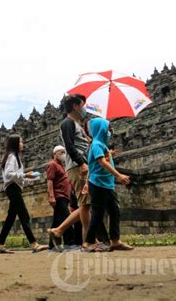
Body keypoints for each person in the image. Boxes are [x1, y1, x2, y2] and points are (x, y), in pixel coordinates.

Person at [50, 95, 109, 244]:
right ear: (75, 106)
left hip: (82, 165)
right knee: (85, 204)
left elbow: (82, 145)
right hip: (77, 167)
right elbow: (69, 146)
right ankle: (89, 241)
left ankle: (59, 230)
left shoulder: (77, 124)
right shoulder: (67, 123)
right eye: (83, 105)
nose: (85, 108)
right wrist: (81, 163)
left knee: (86, 204)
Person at [82, 118, 133, 252]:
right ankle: (87, 243)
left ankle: (115, 241)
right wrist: (119, 175)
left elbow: (92, 165)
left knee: (115, 211)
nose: (110, 132)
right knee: (98, 214)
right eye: (108, 129)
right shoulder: (96, 144)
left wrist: (109, 153)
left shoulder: (101, 146)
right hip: (98, 184)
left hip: (106, 184)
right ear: (101, 130)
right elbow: (101, 163)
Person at [0, 134, 48, 254]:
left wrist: (31, 177)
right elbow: (9, 174)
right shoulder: (12, 157)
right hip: (12, 188)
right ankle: (34, 244)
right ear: (15, 144)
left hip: (15, 187)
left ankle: (0, 245)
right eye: (21, 142)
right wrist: (25, 175)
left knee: (11, 218)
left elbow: (17, 176)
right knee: (24, 215)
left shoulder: (14, 157)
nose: (22, 144)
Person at [45, 146, 77, 251]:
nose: (63, 154)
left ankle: (52, 246)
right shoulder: (52, 164)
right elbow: (50, 181)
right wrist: (51, 196)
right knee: (67, 219)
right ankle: (70, 243)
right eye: (61, 152)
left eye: (64, 152)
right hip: (58, 196)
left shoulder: (62, 166)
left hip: (65, 196)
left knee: (57, 222)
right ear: (55, 154)